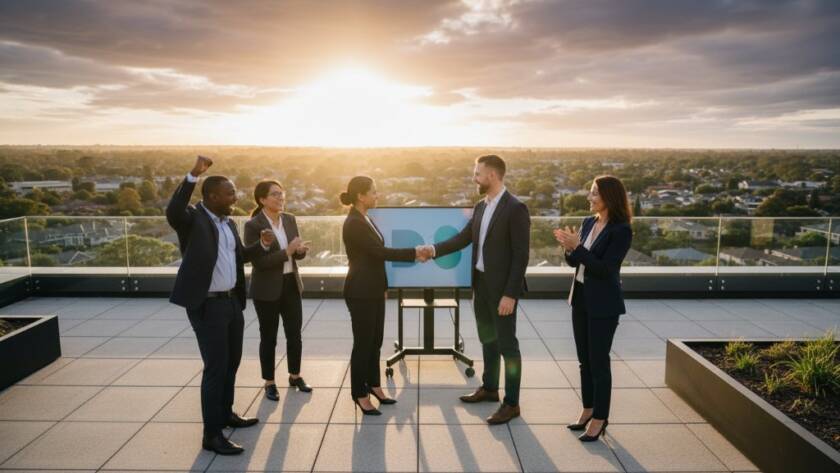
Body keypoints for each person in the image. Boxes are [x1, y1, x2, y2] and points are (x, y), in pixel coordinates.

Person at [167, 156, 274, 455]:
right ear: (212, 196)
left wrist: (262, 245)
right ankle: (211, 435)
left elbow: (240, 256)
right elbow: (173, 210)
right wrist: (192, 175)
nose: (235, 197)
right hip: (207, 305)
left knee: (231, 364)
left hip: (230, 302)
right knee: (215, 368)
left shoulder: (227, 223)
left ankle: (225, 414)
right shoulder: (192, 219)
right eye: (230, 193)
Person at [417, 154, 530, 425]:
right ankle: (490, 388)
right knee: (488, 339)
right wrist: (433, 250)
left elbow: (521, 255)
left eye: (477, 173)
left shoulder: (515, 209)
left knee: (508, 346)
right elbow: (462, 238)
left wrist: (510, 294)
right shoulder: (481, 206)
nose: (474, 177)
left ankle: (512, 403)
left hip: (502, 291)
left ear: (492, 175)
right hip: (480, 285)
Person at [554, 175, 633, 442]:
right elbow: (576, 262)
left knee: (599, 362)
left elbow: (605, 269)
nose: (589, 198)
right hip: (581, 299)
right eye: (590, 192)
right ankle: (588, 409)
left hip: (604, 304)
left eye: (594, 194)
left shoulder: (621, 230)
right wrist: (569, 248)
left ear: (609, 197)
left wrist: (577, 247)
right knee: (584, 360)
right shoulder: (588, 223)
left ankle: (600, 417)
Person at [341, 175, 423, 415]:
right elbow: (379, 252)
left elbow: (375, 261)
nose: (377, 195)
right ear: (360, 195)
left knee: (375, 341)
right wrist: (415, 252)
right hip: (360, 291)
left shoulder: (366, 218)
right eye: (374, 191)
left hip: (374, 289)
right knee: (363, 343)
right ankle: (360, 393)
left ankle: (374, 385)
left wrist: (383, 286)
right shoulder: (354, 223)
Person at [244, 180, 311, 401]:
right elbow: (259, 262)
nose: (281, 198)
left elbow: (295, 254)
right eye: (275, 194)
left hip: (291, 284)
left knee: (295, 335)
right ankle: (269, 382)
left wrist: (299, 251)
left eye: (282, 194)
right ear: (262, 199)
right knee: (269, 336)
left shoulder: (290, 219)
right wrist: (288, 251)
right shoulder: (253, 225)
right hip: (267, 289)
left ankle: (295, 375)